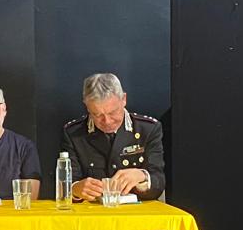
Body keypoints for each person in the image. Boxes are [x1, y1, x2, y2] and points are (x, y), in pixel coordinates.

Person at [61, 73, 166, 201]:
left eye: (113, 112)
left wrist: (142, 176)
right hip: (92, 210)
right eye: (97, 115)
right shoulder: (74, 133)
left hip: (137, 210)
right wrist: (76, 189)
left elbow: (159, 181)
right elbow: (66, 184)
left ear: (124, 99)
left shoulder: (147, 129)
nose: (107, 121)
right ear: (87, 107)